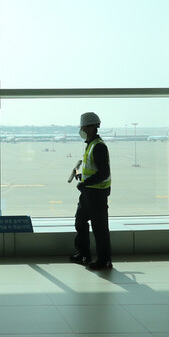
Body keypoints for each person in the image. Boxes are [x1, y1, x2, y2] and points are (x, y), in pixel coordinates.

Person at [69, 111, 112, 270]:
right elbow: (93, 169)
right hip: (88, 193)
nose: (81, 129)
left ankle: (104, 260)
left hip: (97, 194)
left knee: (99, 228)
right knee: (80, 221)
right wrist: (82, 178)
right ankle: (84, 253)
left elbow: (103, 173)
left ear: (90, 127)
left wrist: (85, 183)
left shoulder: (98, 146)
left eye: (83, 127)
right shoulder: (90, 144)